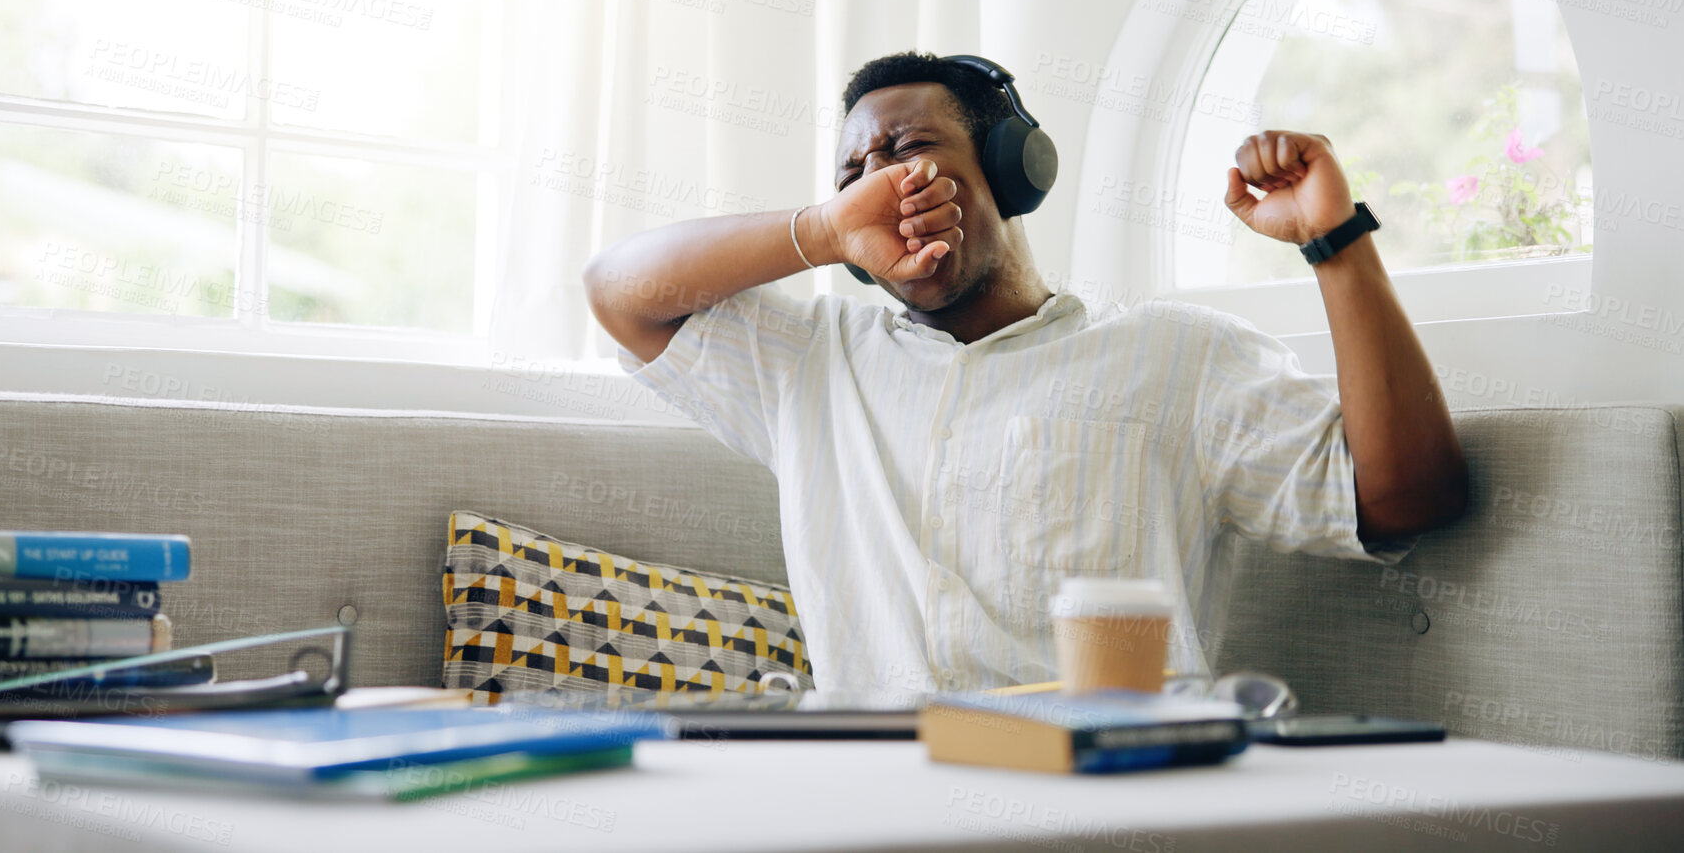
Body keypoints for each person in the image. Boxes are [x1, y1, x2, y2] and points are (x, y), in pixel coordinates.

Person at [582, 51, 1469, 694]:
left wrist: (1335, 240)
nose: (879, 187)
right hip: (874, 801)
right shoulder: (810, 364)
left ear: (1013, 172)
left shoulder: (1179, 356)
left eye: (907, 151)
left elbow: (1406, 499)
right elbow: (619, 293)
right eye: (854, 174)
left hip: (1105, 801)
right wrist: (816, 229)